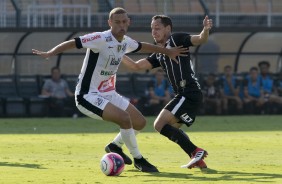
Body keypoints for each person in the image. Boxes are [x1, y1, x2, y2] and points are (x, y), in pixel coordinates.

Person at [32, 7, 187, 173]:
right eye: (117, 22)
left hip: (108, 93)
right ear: (109, 23)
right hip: (87, 95)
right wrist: (50, 52)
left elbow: (144, 46)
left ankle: (114, 145)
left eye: (124, 22)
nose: (121, 25)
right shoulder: (100, 38)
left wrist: (167, 51)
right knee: (124, 118)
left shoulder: (126, 41)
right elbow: (73, 42)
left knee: (140, 122)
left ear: (128, 23)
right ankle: (139, 159)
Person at [121, 14, 213, 169]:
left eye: (157, 28)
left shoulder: (176, 39)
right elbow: (136, 66)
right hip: (185, 95)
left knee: (159, 124)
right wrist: (117, 52)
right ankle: (197, 158)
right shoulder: (159, 52)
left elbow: (200, 39)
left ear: (168, 29)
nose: (154, 32)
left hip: (188, 93)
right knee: (170, 128)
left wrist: (205, 29)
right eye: (152, 29)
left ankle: (196, 151)